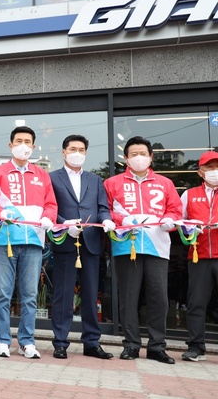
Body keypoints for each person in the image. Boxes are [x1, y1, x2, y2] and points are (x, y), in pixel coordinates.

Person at [104, 136, 182, 364]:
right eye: (133, 154)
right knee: (129, 298)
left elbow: (176, 210)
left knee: (159, 298)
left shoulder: (165, 183)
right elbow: (104, 211)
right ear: (126, 157)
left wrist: (170, 220)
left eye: (143, 154)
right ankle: (130, 345)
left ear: (151, 157)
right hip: (126, 246)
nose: (139, 158)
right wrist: (122, 218)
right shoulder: (112, 183)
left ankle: (157, 347)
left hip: (157, 246)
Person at [0, 125, 57, 360]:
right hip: (5, 240)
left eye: (28, 141)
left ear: (33, 147)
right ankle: (2, 340)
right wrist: (0, 212)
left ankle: (26, 341)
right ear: (10, 145)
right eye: (19, 141)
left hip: (34, 241)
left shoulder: (42, 175)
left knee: (29, 296)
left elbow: (51, 204)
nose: (23, 145)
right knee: (3, 294)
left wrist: (49, 217)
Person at [49, 135, 115, 360]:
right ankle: (60, 342)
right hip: (65, 241)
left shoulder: (95, 180)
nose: (77, 152)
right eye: (72, 149)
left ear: (86, 152)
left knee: (90, 294)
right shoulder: (52, 178)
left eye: (81, 149)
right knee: (63, 295)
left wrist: (106, 219)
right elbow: (48, 209)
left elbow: (102, 207)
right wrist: (63, 224)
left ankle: (91, 342)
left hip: (91, 242)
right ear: (64, 152)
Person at [180, 150, 218, 362]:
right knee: (196, 302)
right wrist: (189, 229)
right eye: (209, 168)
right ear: (200, 172)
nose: (214, 171)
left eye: (217, 167)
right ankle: (196, 346)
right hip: (198, 255)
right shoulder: (189, 194)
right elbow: (179, 222)